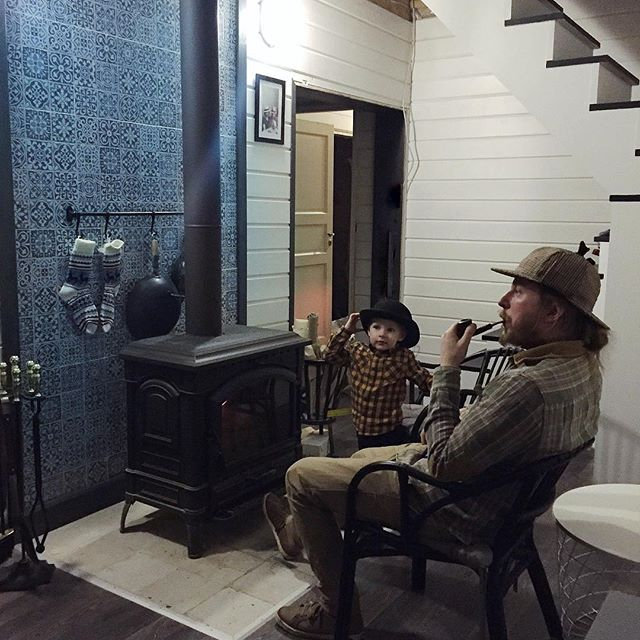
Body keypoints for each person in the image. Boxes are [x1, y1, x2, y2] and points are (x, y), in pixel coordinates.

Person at [264, 246, 609, 640]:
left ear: (553, 312)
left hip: (451, 509)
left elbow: (444, 463)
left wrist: (448, 367)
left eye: (517, 291)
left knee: (301, 477)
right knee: (362, 455)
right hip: (501, 503)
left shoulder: (528, 386)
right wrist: (465, 420)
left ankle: (334, 610)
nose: (502, 301)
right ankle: (297, 531)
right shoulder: (581, 365)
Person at [323, 298, 432, 449]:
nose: (382, 334)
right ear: (368, 331)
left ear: (401, 336)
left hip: (390, 429)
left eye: (390, 330)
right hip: (362, 428)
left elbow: (425, 380)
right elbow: (330, 355)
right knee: (366, 458)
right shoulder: (357, 351)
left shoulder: (402, 357)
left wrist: (444, 392)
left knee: (389, 459)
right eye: (376, 327)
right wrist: (347, 330)